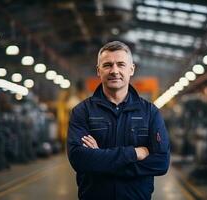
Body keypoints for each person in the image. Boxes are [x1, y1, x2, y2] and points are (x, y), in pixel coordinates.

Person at [67, 41, 170, 200]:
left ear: (131, 69)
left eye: (121, 64)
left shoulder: (150, 112)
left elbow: (161, 163)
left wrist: (100, 161)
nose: (114, 71)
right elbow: (79, 160)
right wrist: (135, 152)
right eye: (107, 65)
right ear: (98, 71)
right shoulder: (82, 112)